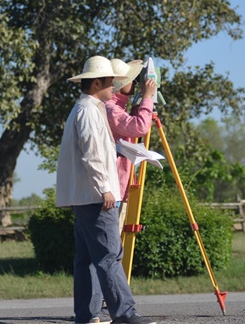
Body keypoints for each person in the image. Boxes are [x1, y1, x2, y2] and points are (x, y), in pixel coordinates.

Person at [56, 55, 158, 324]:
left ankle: (87, 314)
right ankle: (125, 313)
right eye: (111, 82)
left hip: (85, 195)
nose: (114, 86)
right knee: (109, 255)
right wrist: (105, 188)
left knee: (88, 257)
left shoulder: (87, 108)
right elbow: (93, 154)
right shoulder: (90, 111)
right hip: (95, 195)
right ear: (97, 82)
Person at [106, 59, 158, 229]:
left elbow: (129, 131)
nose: (136, 83)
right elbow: (139, 128)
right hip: (113, 190)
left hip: (119, 187)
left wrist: (140, 106)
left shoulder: (117, 107)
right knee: (112, 247)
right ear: (121, 84)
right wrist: (147, 98)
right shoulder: (111, 109)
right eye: (132, 79)